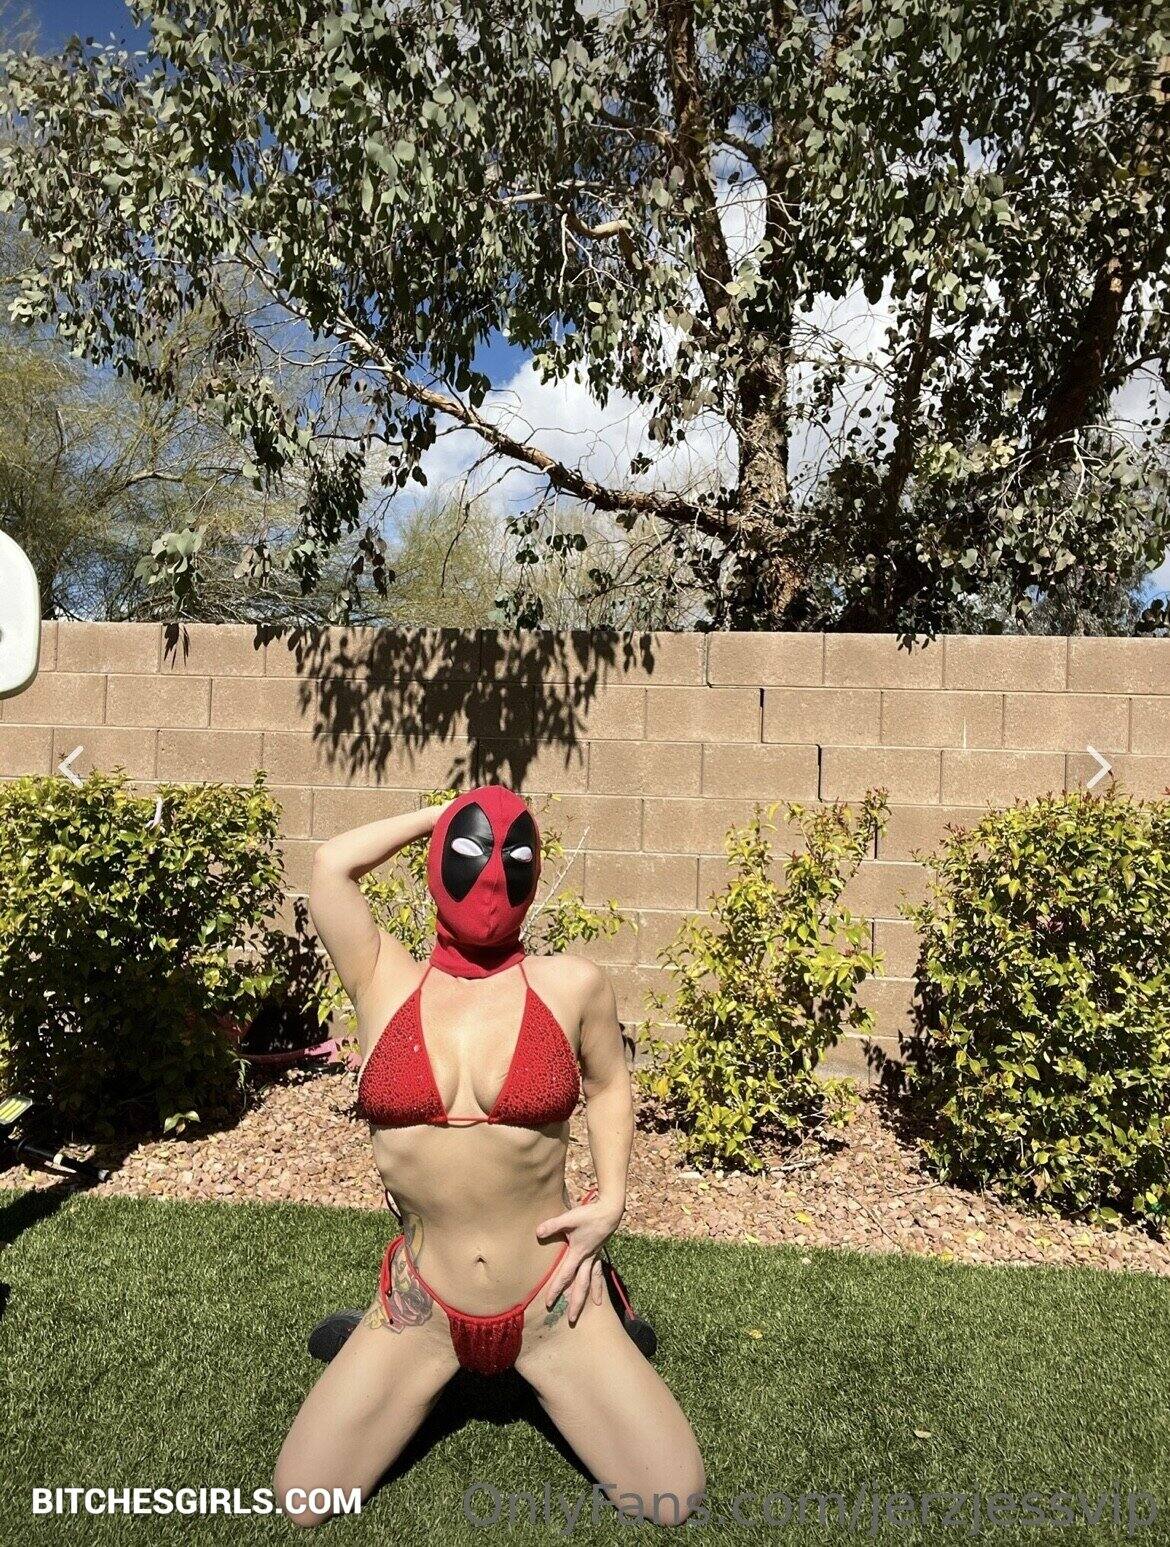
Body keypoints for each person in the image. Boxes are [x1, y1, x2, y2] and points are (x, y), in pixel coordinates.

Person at [273, 784, 705, 1527]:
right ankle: (386, 1350)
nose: (493, 875)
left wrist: (611, 1200)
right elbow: (332, 865)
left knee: (671, 1498)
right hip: (423, 1304)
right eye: (471, 851)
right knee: (304, 1501)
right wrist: (439, 815)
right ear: (439, 860)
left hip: (550, 1300)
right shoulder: (380, 978)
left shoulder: (571, 985)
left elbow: (608, 1085)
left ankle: (610, 1318)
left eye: (514, 856)